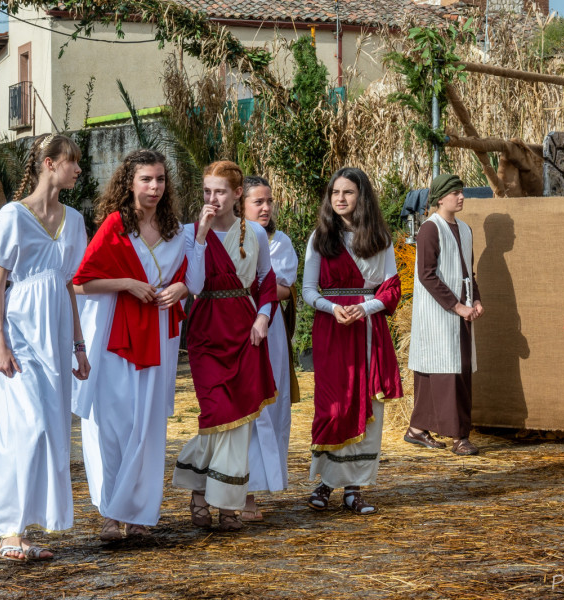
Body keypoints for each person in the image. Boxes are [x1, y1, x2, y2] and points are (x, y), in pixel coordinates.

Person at [73, 149, 208, 541]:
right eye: (146, 179)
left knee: (147, 427)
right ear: (129, 182)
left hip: (160, 337)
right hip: (115, 337)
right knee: (112, 424)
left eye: (160, 179)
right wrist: (126, 284)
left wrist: (182, 286)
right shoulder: (116, 225)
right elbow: (80, 282)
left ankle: (139, 516)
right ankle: (110, 515)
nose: (154, 187)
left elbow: (191, 279)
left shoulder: (176, 231)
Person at [0, 134, 89, 561]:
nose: (79, 170)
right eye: (73, 163)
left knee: (49, 432)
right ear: (50, 164)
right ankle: (8, 531)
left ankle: (22, 531)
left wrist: (79, 345)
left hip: (56, 337)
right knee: (25, 429)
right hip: (19, 334)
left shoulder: (75, 219)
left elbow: (69, 284)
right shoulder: (12, 216)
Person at [172, 161, 278, 531]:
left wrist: (264, 316)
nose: (211, 199)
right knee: (216, 414)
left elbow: (266, 281)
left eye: (219, 192)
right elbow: (196, 284)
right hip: (206, 332)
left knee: (239, 421)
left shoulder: (256, 234)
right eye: (206, 192)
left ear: (236, 194)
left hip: (245, 330)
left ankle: (223, 502)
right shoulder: (189, 232)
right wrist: (200, 237)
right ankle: (206, 494)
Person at [303, 167, 402, 515]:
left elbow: (391, 288)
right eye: (335, 193)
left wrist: (365, 308)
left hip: (368, 330)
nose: (340, 199)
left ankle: (354, 488)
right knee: (334, 406)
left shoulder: (380, 238)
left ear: (362, 197)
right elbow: (308, 291)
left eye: (347, 192)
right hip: (332, 330)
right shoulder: (320, 237)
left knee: (369, 408)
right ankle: (326, 483)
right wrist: (333, 309)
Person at [406, 174, 484, 456]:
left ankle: (417, 429)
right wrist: (456, 305)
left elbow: (467, 271)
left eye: (462, 192)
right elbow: (426, 275)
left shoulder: (464, 229)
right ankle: (459, 437)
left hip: (459, 310)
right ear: (441, 198)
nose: (461, 197)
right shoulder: (430, 229)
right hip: (438, 312)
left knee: (458, 370)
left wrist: (475, 299)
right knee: (441, 371)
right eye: (455, 193)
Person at [242, 176, 300, 520]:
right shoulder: (227, 238)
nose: (266, 208)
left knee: (268, 409)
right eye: (257, 202)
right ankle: (232, 490)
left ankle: (253, 493)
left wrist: (242, 285)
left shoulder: (279, 242)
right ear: (241, 205)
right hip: (233, 325)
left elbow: (281, 289)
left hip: (269, 329)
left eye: (268, 201)